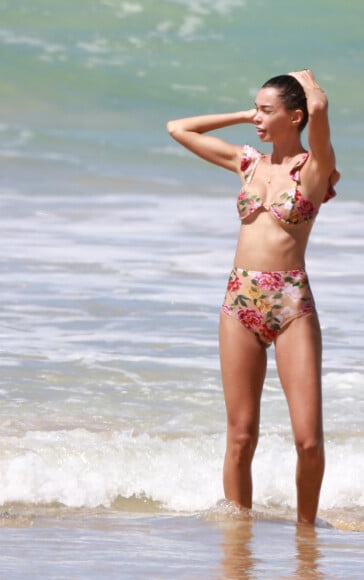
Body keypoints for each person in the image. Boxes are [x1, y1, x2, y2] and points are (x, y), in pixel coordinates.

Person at [166, 70, 338, 525]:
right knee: (241, 437)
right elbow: (178, 128)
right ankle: (237, 539)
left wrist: (309, 80)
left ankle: (307, 534)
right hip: (239, 301)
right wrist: (244, 114)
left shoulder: (315, 169)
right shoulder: (248, 163)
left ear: (294, 116)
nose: (256, 119)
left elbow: (319, 109)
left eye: (265, 111)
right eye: (255, 110)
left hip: (290, 304)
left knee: (308, 441)